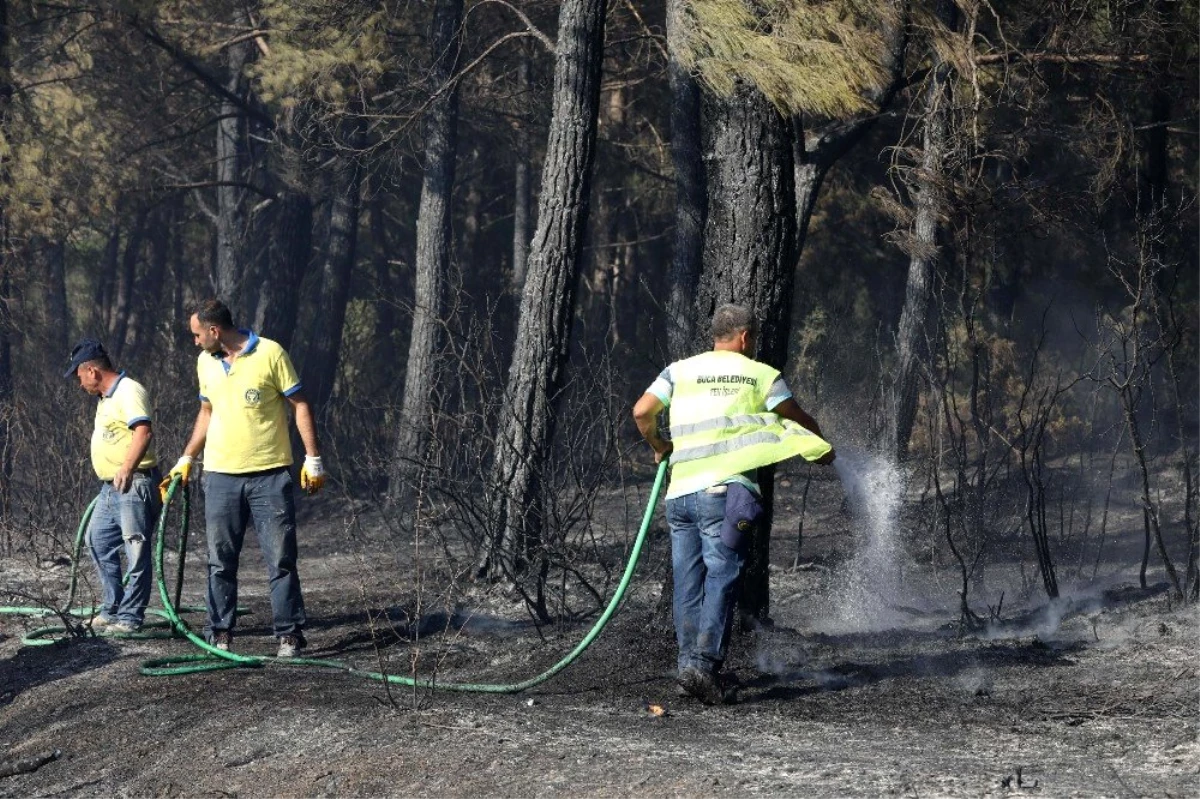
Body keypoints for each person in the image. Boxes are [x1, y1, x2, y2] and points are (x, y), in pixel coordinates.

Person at [632, 304, 835, 704]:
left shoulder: (679, 371)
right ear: (745, 338)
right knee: (722, 578)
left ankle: (687, 666)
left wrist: (660, 446)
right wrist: (821, 445)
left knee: (688, 583)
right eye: (753, 339)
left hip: (681, 494)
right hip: (726, 494)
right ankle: (704, 668)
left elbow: (642, 411)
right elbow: (793, 416)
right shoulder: (760, 374)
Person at [162, 299, 325, 658]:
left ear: (215, 331)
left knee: (280, 558)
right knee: (220, 559)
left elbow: (300, 404)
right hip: (220, 477)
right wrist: (187, 456)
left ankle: (289, 635)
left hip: (269, 476)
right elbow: (206, 410)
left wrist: (313, 458)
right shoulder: (205, 362)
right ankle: (219, 633)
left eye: (197, 334)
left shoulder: (270, 353)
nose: (194, 341)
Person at [65, 338, 160, 634]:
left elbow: (143, 432)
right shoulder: (106, 399)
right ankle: (112, 607)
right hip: (109, 488)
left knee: (135, 549)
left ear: (91, 371)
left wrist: (127, 468)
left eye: (79, 376)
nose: (80, 384)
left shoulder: (129, 390)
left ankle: (131, 618)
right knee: (99, 541)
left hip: (134, 483)